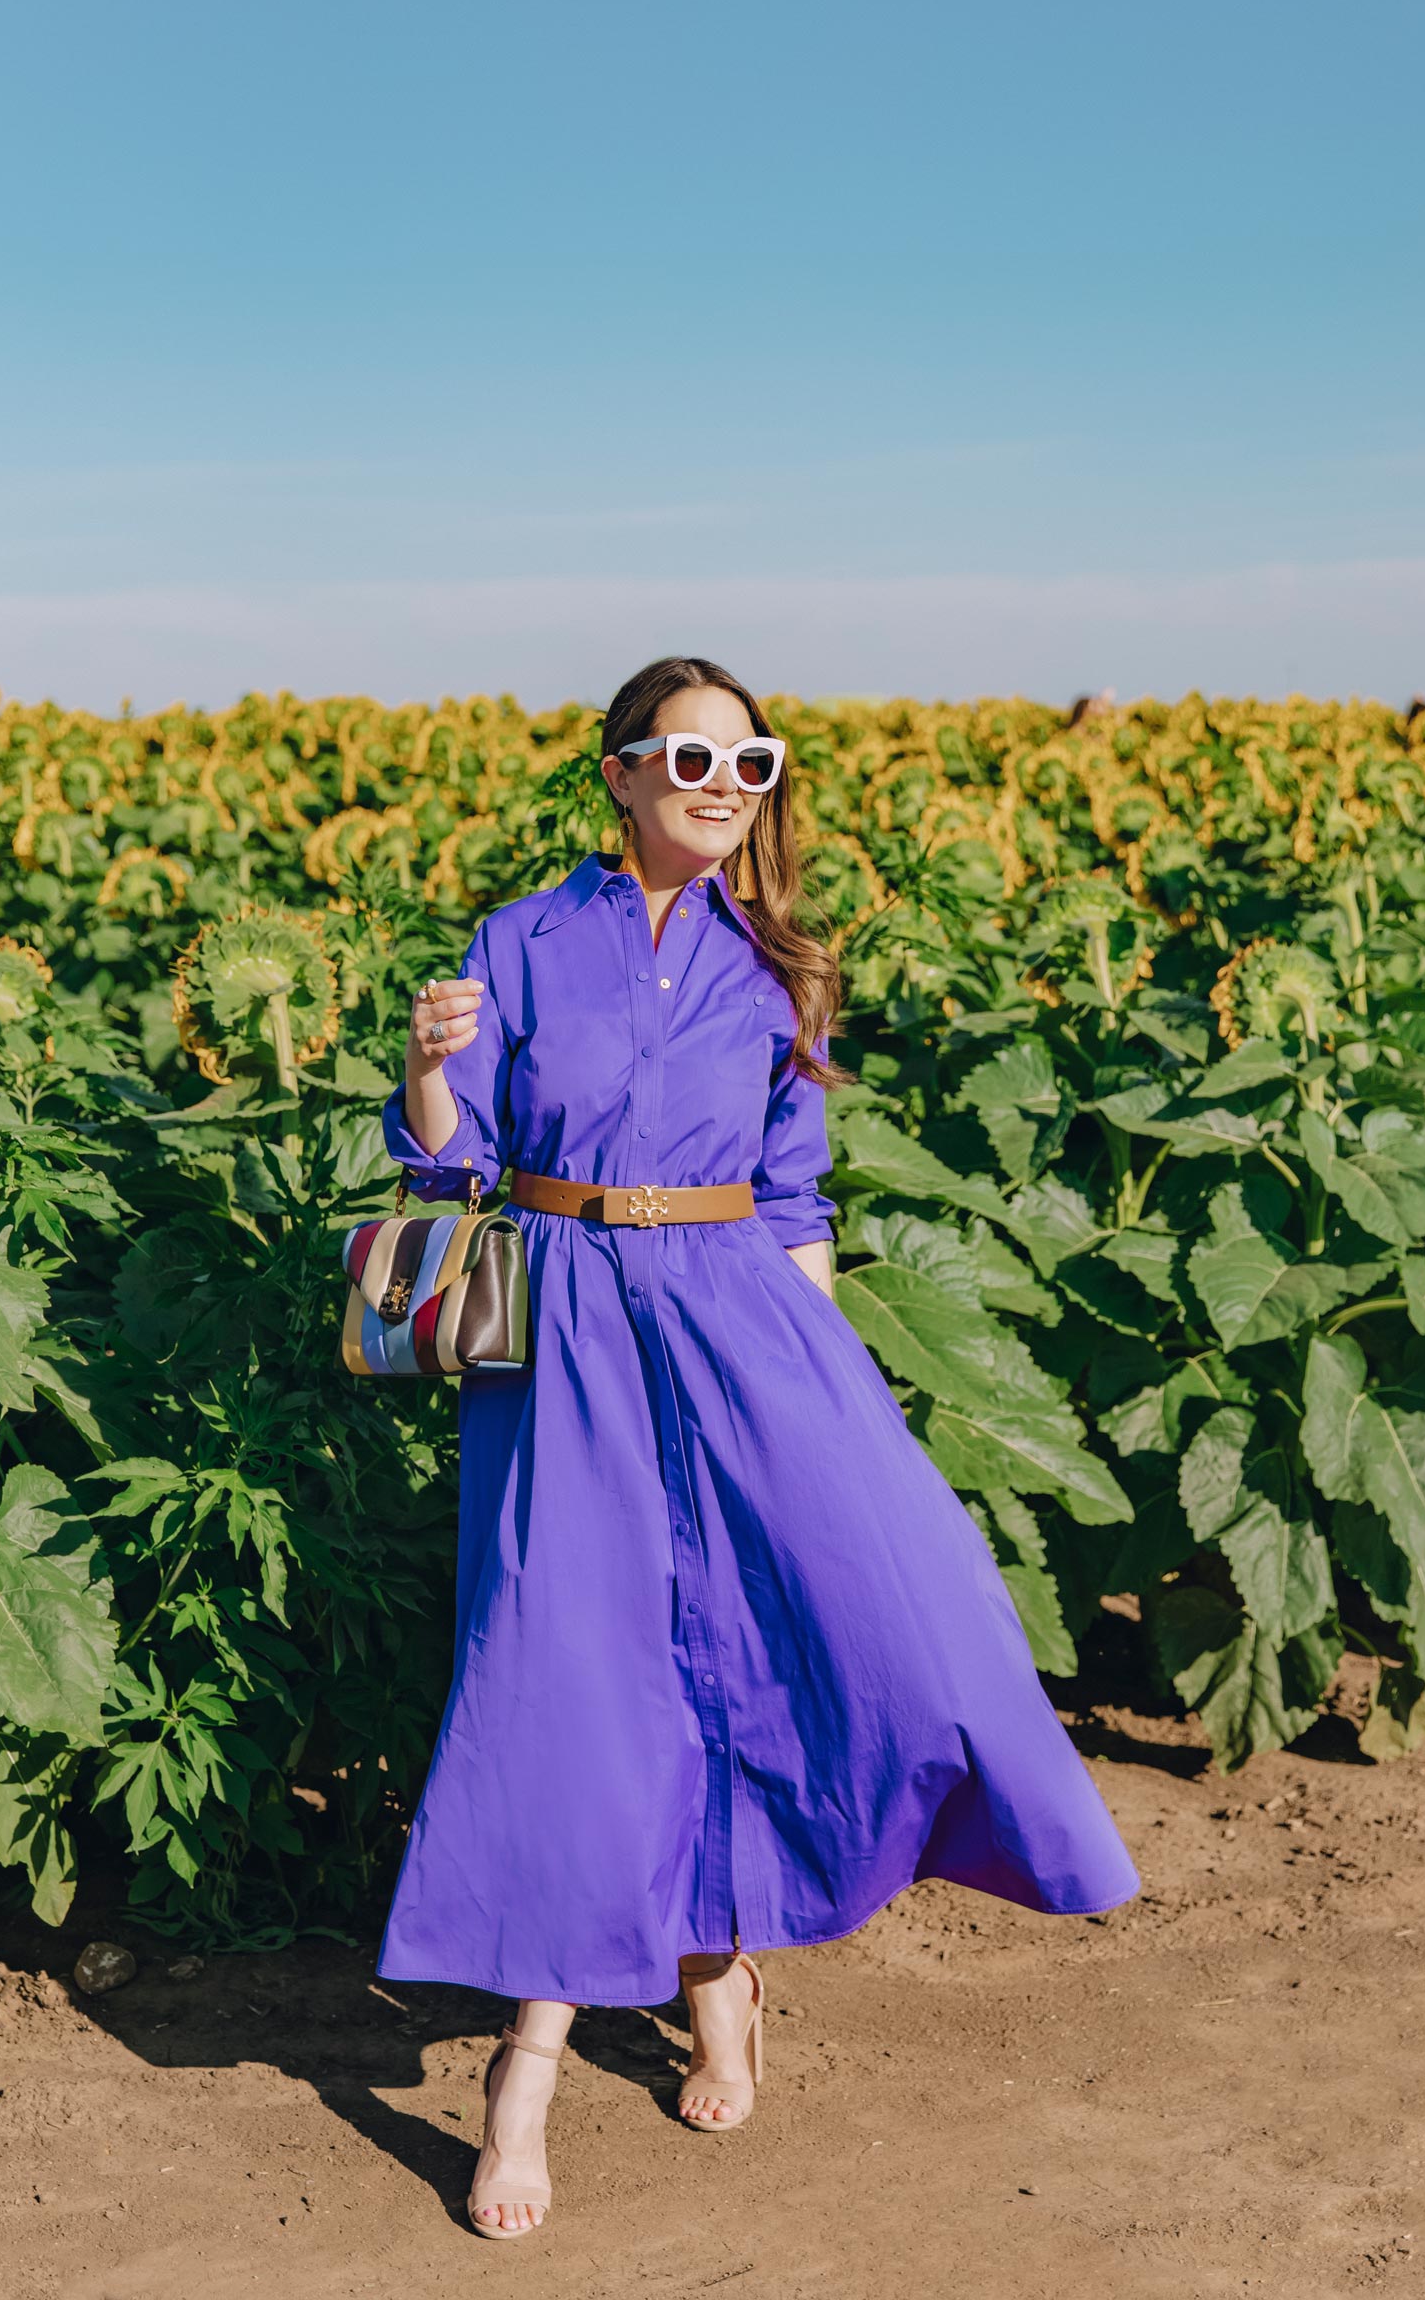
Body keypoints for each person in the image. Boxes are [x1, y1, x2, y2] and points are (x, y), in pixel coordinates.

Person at [377, 656, 1140, 2239]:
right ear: (618, 773)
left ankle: (723, 1971)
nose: (725, 785)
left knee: (800, 1631)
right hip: (568, 1328)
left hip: (743, 1326)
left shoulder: (779, 963)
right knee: (564, 1672)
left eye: (753, 762)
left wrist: (840, 1398)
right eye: (690, 758)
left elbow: (796, 1198)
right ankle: (528, 2069)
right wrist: (429, 1063)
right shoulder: (521, 941)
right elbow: (455, 1169)